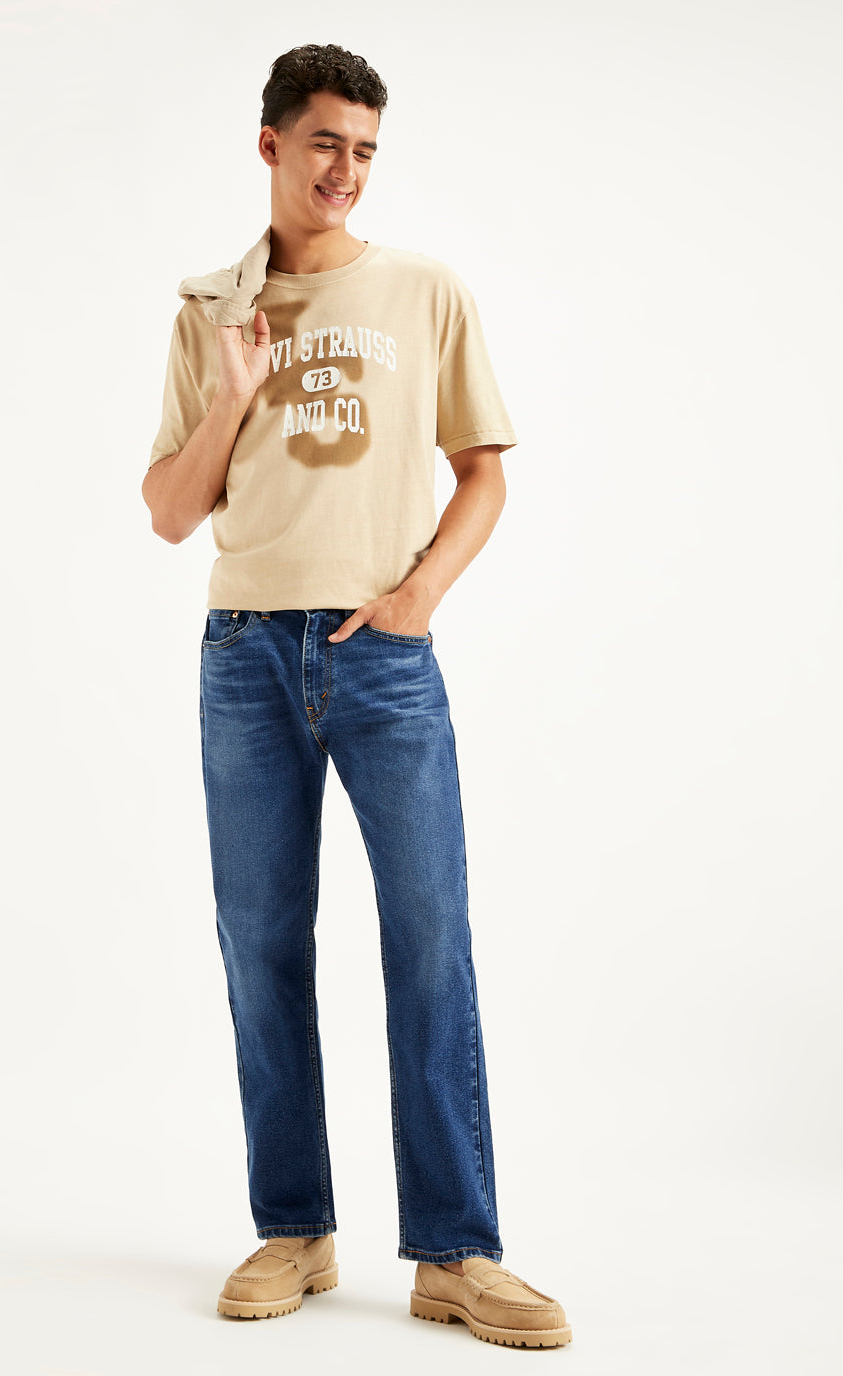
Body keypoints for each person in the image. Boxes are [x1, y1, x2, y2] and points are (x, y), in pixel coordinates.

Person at [140, 43, 572, 1349]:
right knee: (261, 945)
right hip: (243, 656)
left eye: (366, 148)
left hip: (382, 656)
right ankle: (295, 1229)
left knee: (429, 939)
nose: (346, 170)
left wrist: (419, 595)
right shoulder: (211, 308)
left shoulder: (423, 291)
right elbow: (169, 512)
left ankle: (456, 1252)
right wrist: (232, 397)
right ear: (271, 144)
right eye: (325, 141)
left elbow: (483, 471)